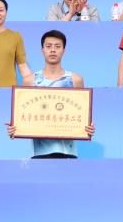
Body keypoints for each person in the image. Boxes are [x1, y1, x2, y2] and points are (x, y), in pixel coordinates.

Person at [6, 30, 94, 158]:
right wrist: (16, 127)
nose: (53, 50)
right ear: (42, 50)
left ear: (64, 51)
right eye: (48, 46)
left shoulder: (76, 80)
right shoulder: (29, 80)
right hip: (39, 152)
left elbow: (81, 114)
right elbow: (24, 114)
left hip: (67, 152)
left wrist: (87, 128)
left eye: (57, 46)